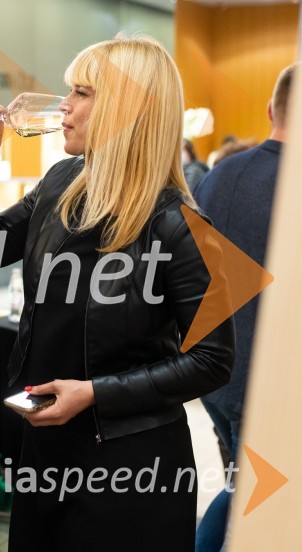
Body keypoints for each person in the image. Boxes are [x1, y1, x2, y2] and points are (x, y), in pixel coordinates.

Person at [0, 36, 234, 552]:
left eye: (82, 92)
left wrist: (95, 393)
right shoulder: (62, 181)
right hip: (46, 455)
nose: (65, 104)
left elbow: (214, 360)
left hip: (131, 471)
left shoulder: (179, 223)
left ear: (127, 109)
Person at [194, 63, 295, 552]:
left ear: (269, 108)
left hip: (212, 371)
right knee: (258, 499)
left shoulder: (220, 173)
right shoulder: (292, 186)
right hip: (267, 386)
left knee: (243, 488)